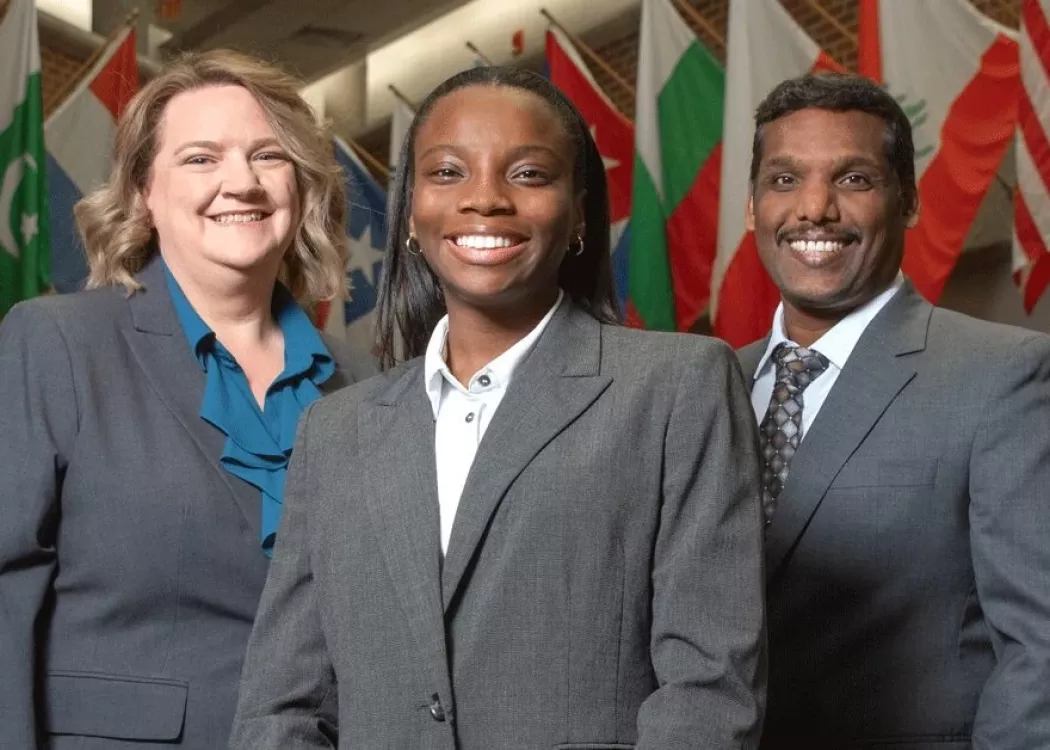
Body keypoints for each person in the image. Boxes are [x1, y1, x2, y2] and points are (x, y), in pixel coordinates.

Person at [230, 65, 766, 749]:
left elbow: (710, 689)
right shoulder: (336, 429)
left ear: (578, 215)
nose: (485, 199)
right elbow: (282, 703)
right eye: (448, 173)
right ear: (412, 219)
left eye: (529, 175)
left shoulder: (677, 388)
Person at [0, 50, 375, 749]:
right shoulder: (56, 344)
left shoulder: (362, 381)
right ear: (144, 191)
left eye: (268, 156)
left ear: (301, 184)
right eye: (201, 158)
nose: (242, 182)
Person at [737, 72, 1050, 748]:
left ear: (907, 202)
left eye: (853, 180)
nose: (813, 209)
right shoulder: (706, 387)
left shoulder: (1002, 376)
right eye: (785, 181)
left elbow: (1041, 650)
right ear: (752, 206)